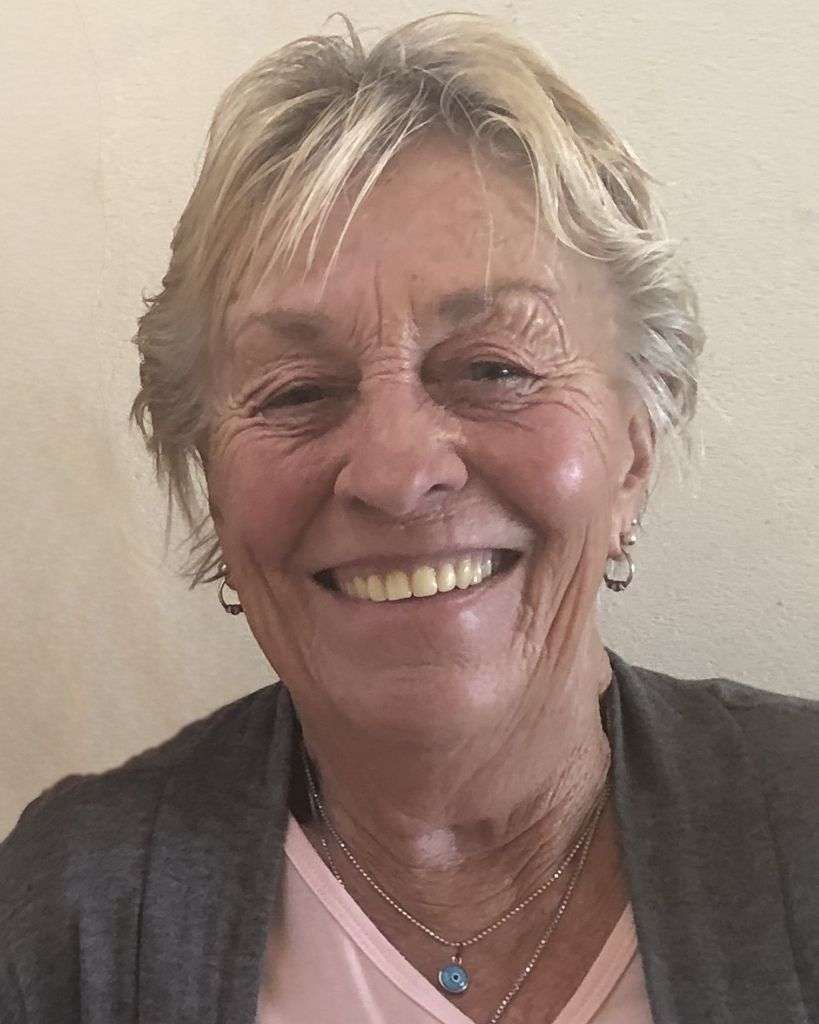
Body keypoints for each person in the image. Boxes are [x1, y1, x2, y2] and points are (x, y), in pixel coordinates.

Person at [1, 12, 817, 1024]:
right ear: (211, 480)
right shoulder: (71, 918)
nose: (395, 472)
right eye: (298, 390)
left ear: (633, 454)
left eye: (495, 369)